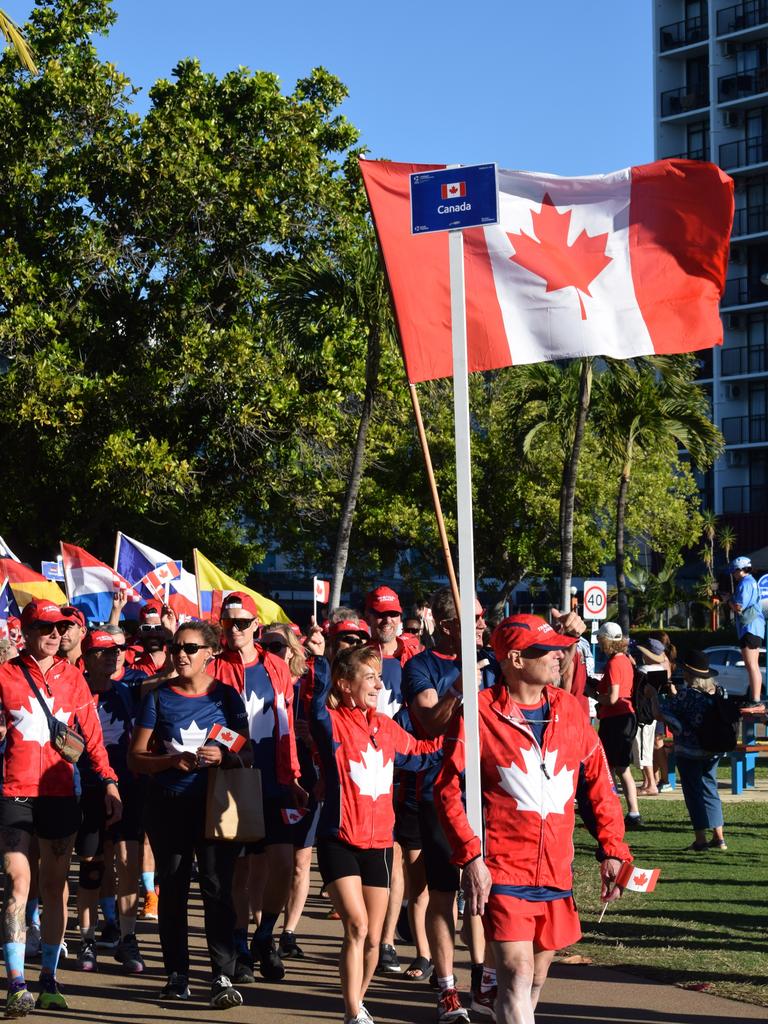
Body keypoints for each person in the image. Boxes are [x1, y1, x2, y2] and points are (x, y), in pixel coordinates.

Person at [434, 614, 631, 1024]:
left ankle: (497, 1000)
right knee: (518, 975)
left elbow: (601, 786)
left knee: (535, 979)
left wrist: (613, 849)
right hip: (503, 869)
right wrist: (471, 857)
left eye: (559, 648)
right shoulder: (480, 714)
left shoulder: (572, 712)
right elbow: (446, 789)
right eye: (546, 650)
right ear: (517, 660)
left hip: (557, 872)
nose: (559, 656)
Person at [0, 599, 121, 1016]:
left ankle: (48, 978)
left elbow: (93, 739)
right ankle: (17, 982)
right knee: (17, 883)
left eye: (60, 629)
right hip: (14, 792)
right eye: (46, 628)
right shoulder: (6, 674)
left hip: (60, 795)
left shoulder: (74, 679)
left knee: (54, 887)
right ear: (27, 631)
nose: (54, 635)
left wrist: (108, 782)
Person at [310, 645, 439, 1024]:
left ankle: (358, 1001)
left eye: (379, 677)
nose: (378, 684)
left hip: (381, 843)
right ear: (345, 684)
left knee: (371, 938)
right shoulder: (331, 722)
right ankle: (352, 1011)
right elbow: (314, 704)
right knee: (357, 924)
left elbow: (422, 753)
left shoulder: (386, 725)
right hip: (339, 838)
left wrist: (462, 734)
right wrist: (320, 660)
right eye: (369, 677)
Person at [129, 620, 250, 1008]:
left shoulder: (228, 699)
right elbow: (135, 757)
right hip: (168, 805)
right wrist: (169, 761)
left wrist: (225, 755)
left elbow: (248, 754)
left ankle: (222, 975)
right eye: (176, 646)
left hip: (215, 807)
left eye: (191, 648)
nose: (180, 654)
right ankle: (177, 975)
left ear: (211, 653)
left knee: (217, 889)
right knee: (174, 888)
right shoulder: (159, 697)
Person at [401, 587, 496, 1023]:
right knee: (443, 894)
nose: (481, 624)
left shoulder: (492, 663)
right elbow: (427, 722)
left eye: (481, 617)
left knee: (485, 892)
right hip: (438, 791)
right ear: (446, 625)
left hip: (487, 793)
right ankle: (446, 988)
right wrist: (460, 688)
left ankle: (483, 976)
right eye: (473, 618)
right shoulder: (420, 666)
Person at [208, 592, 305, 981]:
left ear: (256, 627)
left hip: (276, 777)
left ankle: (266, 934)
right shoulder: (213, 669)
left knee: (283, 863)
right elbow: (210, 724)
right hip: (234, 778)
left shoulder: (276, 667)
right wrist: (238, 749)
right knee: (242, 871)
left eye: (243, 623)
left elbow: (287, 723)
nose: (236, 630)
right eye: (229, 623)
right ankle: (241, 945)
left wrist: (295, 774)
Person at [75, 629, 146, 975]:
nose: (112, 657)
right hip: (86, 789)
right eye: (103, 652)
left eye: (116, 651)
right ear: (86, 658)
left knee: (128, 860)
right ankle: (87, 937)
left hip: (126, 788)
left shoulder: (126, 692)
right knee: (92, 866)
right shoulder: (72, 692)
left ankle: (128, 938)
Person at [363, 585, 421, 977]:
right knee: (379, 860)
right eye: (380, 615)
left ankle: (386, 941)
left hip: (404, 771)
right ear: (370, 618)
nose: (386, 621)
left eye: (393, 615)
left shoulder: (414, 658)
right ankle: (371, 936)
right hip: (365, 772)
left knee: (398, 859)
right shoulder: (357, 658)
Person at [658, 650, 728, 851]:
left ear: (689, 673)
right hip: (714, 749)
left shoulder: (686, 695)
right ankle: (719, 837)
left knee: (693, 793)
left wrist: (653, 696)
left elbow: (665, 716)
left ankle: (701, 839)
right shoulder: (720, 691)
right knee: (710, 788)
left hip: (689, 751)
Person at [594, 622, 643, 830]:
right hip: (626, 716)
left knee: (613, 767)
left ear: (606, 641)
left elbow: (613, 697)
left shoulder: (614, 662)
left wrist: (594, 695)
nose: (598, 642)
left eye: (600, 639)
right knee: (621, 768)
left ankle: (616, 810)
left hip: (616, 717)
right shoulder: (625, 661)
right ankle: (632, 812)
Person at [727, 556, 766, 712]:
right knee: (753, 666)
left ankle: (756, 700)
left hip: (749, 628)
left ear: (741, 570)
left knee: (751, 665)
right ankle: (755, 699)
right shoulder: (752, 582)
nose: (734, 575)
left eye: (735, 571)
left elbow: (738, 607)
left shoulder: (745, 583)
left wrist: (728, 601)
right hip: (755, 628)